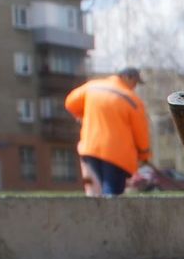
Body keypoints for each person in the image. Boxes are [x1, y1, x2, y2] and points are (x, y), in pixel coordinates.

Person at [64, 67, 151, 198]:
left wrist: (84, 114)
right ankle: (110, 217)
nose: (135, 86)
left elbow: (70, 103)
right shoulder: (132, 100)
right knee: (112, 191)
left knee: (95, 190)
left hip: (90, 148)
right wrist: (144, 154)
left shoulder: (92, 87)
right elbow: (140, 132)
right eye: (135, 82)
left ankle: (96, 216)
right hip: (117, 154)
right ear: (128, 77)